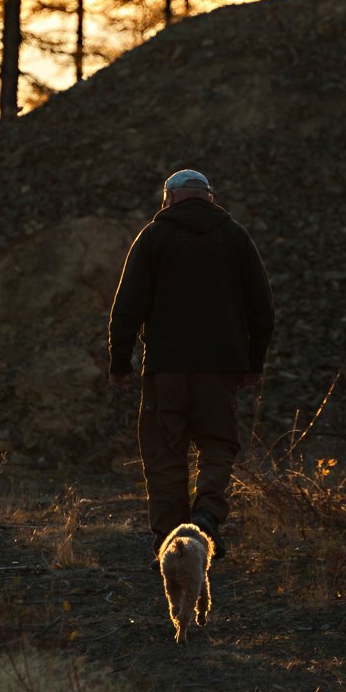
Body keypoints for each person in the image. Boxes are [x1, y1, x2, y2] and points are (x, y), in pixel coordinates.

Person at [108, 169, 274, 563]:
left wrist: (120, 363)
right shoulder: (235, 237)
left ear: (168, 199)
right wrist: (254, 362)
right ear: (210, 198)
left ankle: (172, 543)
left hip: (166, 370)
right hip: (221, 370)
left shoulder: (153, 237)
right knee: (218, 445)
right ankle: (206, 518)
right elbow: (262, 310)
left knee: (165, 454)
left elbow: (126, 308)